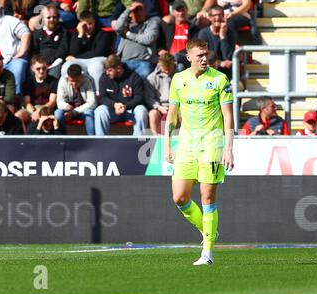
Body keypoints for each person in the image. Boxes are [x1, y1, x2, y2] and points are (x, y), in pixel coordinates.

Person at [164, 39, 234, 265]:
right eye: (199, 55)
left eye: (206, 54)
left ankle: (208, 252)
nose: (204, 58)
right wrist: (167, 142)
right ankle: (208, 231)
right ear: (189, 57)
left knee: (207, 197)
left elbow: (228, 117)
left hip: (212, 145)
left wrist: (229, 148)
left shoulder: (219, 79)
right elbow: (172, 115)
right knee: (179, 197)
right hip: (186, 145)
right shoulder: (178, 79)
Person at [94, 54, 148, 136]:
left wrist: (126, 106)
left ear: (118, 68)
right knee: (100, 110)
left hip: (130, 110)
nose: (107, 73)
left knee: (141, 110)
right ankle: (101, 142)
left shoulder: (134, 77)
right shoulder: (104, 77)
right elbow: (102, 97)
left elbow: (139, 97)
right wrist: (114, 104)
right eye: (106, 70)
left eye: (110, 70)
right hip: (113, 110)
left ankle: (138, 143)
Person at [61, 10, 112, 92]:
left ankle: (99, 93)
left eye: (90, 23)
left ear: (94, 22)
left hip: (98, 60)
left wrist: (76, 57)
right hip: (81, 61)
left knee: (95, 67)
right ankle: (70, 93)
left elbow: (98, 53)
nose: (88, 26)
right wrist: (80, 35)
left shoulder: (103, 34)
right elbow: (73, 52)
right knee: (66, 66)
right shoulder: (76, 35)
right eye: (85, 24)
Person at [112, 1, 160, 79]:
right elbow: (117, 27)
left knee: (145, 73)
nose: (138, 13)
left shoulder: (151, 22)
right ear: (130, 14)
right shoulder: (126, 24)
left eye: (140, 10)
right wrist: (128, 10)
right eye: (135, 11)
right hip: (125, 62)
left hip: (143, 61)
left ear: (145, 11)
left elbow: (149, 39)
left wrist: (128, 34)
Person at [157, 0, 200, 72]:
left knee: (177, 59)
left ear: (187, 11)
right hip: (169, 60)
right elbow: (159, 43)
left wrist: (175, 56)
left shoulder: (193, 28)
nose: (181, 13)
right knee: (179, 67)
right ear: (173, 12)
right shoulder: (167, 27)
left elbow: (194, 47)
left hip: (186, 58)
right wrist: (160, 50)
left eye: (183, 10)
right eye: (178, 10)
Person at [55, 63, 96, 135]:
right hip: (68, 111)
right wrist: (66, 106)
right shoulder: (63, 81)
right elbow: (59, 101)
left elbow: (92, 103)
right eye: (71, 81)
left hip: (82, 111)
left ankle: (91, 139)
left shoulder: (88, 80)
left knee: (89, 113)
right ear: (68, 78)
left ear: (82, 77)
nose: (74, 84)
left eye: (77, 81)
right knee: (58, 113)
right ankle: (62, 138)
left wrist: (74, 112)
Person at [31, 4, 70, 79]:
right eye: (48, 17)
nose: (51, 19)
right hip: (39, 62)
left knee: (54, 74)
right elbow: (34, 51)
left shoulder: (63, 31)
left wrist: (49, 62)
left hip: (56, 62)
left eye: (54, 17)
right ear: (43, 19)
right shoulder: (37, 33)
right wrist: (40, 63)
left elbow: (63, 50)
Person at [197, 5, 235, 79]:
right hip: (208, 71)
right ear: (210, 17)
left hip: (226, 72)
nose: (217, 18)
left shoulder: (231, 33)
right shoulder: (203, 33)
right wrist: (220, 63)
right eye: (215, 15)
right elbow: (204, 56)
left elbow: (227, 57)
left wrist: (223, 37)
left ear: (224, 17)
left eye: (220, 15)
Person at [22, 55, 58, 123]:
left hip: (47, 109)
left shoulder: (54, 81)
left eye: (44, 68)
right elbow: (27, 102)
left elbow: (52, 102)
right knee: (19, 115)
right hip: (31, 108)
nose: (41, 71)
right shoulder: (28, 82)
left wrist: (39, 111)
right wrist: (34, 112)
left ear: (47, 67)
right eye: (38, 68)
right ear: (32, 68)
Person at [146, 52, 176, 135]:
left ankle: (179, 140)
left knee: (183, 114)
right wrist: (159, 107)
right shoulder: (152, 78)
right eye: (165, 68)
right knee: (152, 114)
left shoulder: (179, 76)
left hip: (175, 106)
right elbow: (150, 98)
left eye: (169, 68)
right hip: (159, 107)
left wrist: (174, 107)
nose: (167, 71)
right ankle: (156, 139)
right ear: (160, 65)